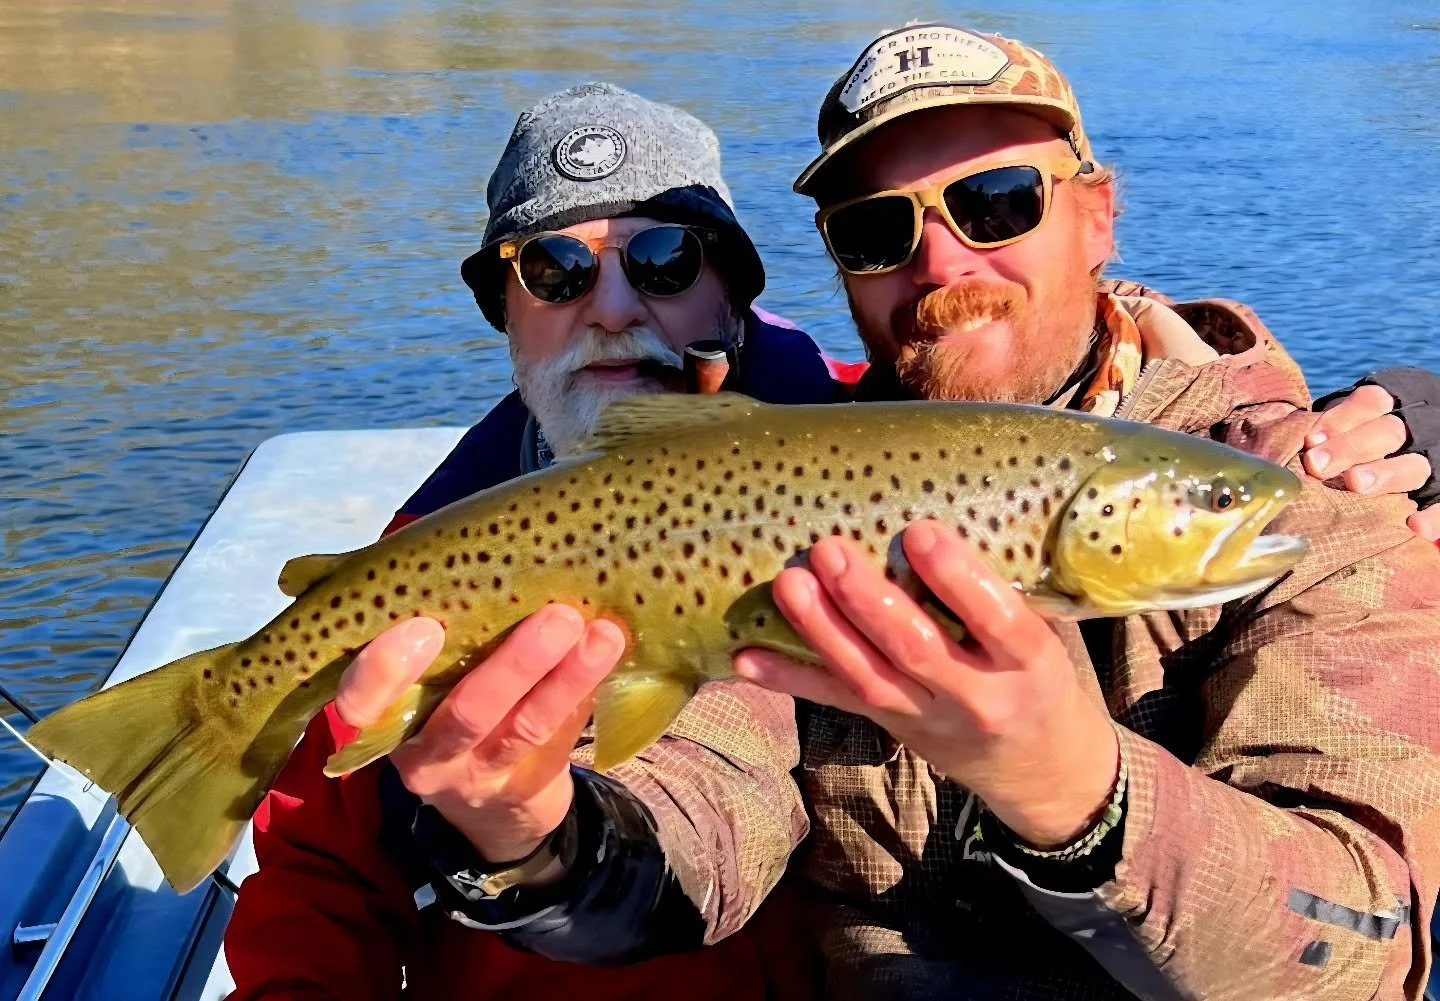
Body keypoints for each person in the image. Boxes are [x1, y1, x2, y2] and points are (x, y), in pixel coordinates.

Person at [226, 67, 1440, 1001]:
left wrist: (1077, 786)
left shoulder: (1305, 473)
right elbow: (708, 791)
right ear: (504, 311)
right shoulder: (449, 550)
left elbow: (1365, 939)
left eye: (660, 257)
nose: (944, 258)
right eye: (549, 268)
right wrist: (531, 844)